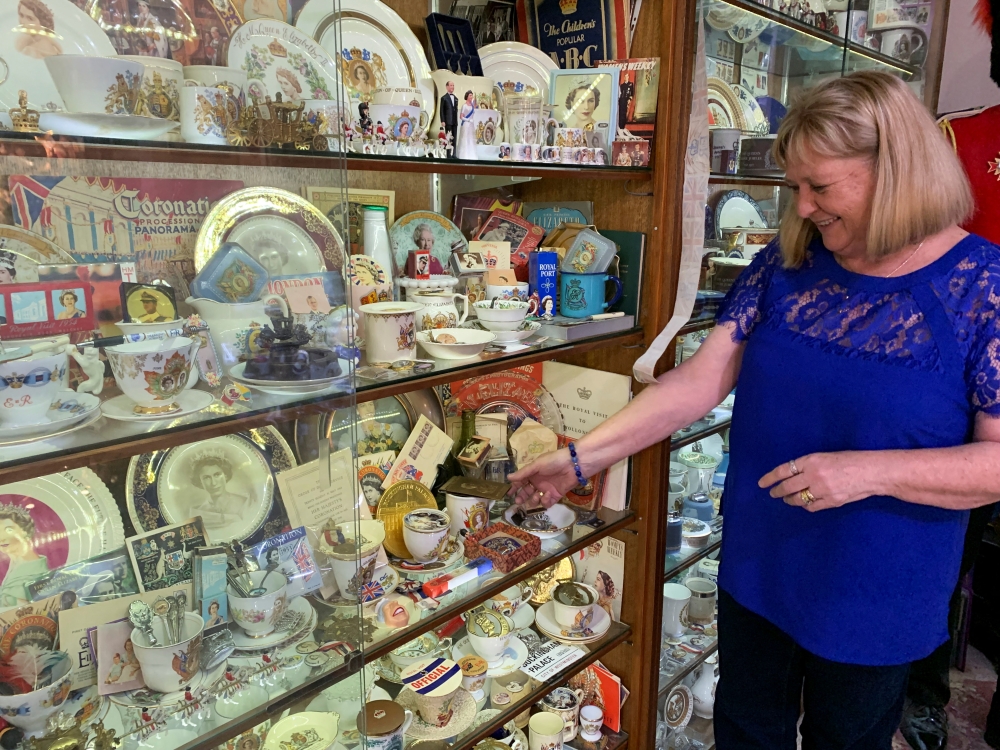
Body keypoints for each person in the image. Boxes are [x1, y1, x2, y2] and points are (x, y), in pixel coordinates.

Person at [510, 71, 1000, 750]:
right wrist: (578, 458)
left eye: (819, 187)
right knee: (743, 731)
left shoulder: (981, 288)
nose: (803, 208)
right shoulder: (788, 263)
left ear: (895, 172)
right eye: (794, 187)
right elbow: (698, 381)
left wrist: (864, 473)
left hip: (876, 591)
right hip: (760, 564)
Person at [187, 452, 254, 541]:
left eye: (217, 475)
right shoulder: (197, 514)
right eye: (207, 478)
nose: (213, 483)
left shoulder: (246, 502)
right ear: (200, 481)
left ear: (225, 476)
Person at [0, 504, 49, 606]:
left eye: (9, 530)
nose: (2, 538)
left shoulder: (34, 571)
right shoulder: (15, 563)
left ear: (25, 532)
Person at [439, 81, 459, 157]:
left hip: (454, 121)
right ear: (447, 87)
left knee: (454, 138)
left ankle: (454, 154)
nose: (452, 87)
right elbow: (441, 110)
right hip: (448, 121)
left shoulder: (456, 98)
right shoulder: (444, 98)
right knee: (448, 138)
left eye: (453, 85)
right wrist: (443, 120)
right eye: (451, 85)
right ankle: (448, 155)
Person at [457, 91, 477, 160]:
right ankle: (464, 155)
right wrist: (468, 120)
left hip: (471, 125)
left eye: (472, 95)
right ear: (467, 96)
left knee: (470, 139)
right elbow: (461, 117)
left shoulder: (472, 106)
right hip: (466, 124)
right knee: (465, 139)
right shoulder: (464, 106)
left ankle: (471, 155)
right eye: (470, 95)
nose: (471, 97)